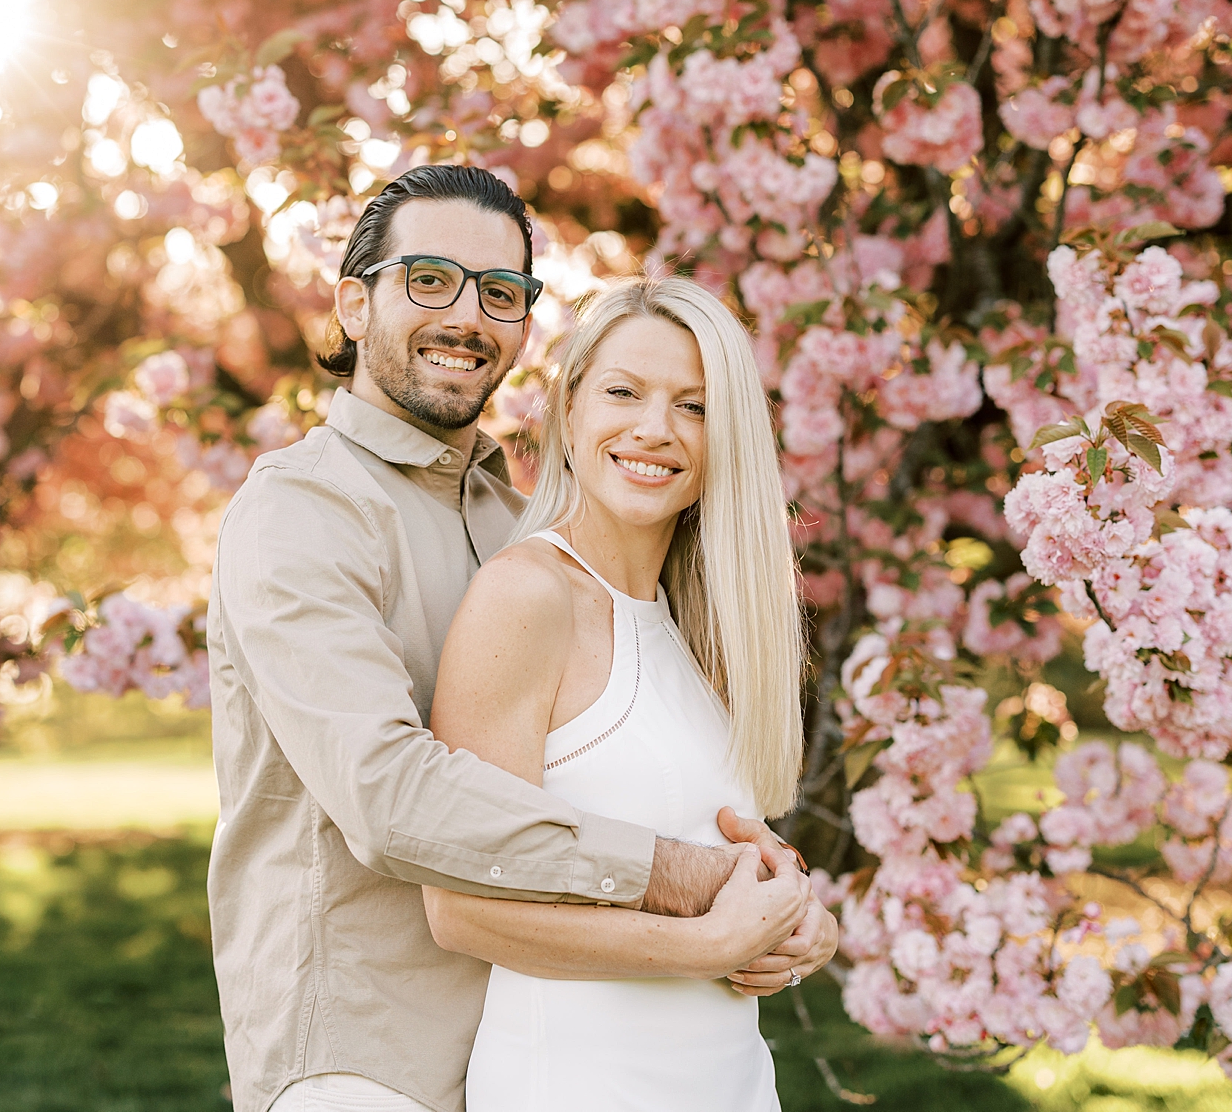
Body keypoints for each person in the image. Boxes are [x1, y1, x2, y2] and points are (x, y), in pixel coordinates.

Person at [206, 165, 830, 1112]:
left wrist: (778, 903)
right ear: (352, 303)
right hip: (366, 1054)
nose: (467, 315)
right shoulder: (302, 509)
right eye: (429, 279)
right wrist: (685, 882)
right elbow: (386, 790)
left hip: (524, 1035)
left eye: (499, 292)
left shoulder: (518, 525)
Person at [422, 274, 828, 1110]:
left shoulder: (705, 626)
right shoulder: (525, 595)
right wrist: (701, 945)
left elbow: (710, 840)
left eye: (694, 405)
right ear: (569, 412)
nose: (656, 428)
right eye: (623, 391)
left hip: (730, 1082)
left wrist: (798, 920)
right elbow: (461, 909)